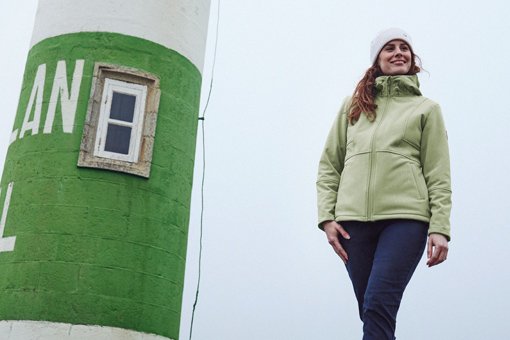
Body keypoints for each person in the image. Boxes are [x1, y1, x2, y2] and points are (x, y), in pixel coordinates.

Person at [316, 28, 452, 340]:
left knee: (378, 303)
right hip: (352, 225)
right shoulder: (352, 106)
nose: (398, 52)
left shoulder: (426, 109)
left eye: (404, 47)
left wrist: (440, 227)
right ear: (378, 60)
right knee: (371, 310)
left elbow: (439, 174)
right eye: (389, 48)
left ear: (412, 58)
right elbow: (328, 167)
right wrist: (327, 219)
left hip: (406, 221)